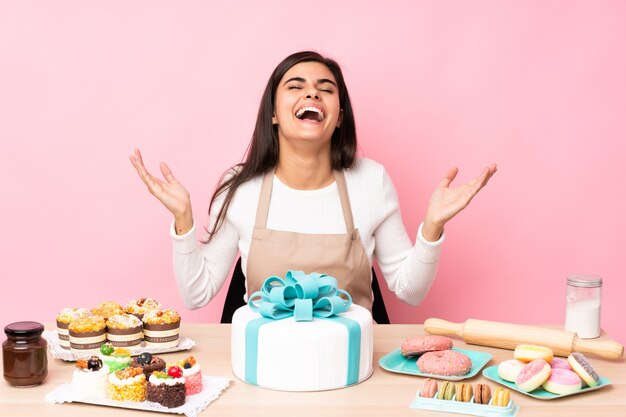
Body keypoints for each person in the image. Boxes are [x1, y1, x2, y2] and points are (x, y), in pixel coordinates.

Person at [130, 51, 496, 320]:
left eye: (326, 89)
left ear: (338, 117)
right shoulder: (239, 186)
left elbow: (410, 291)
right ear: (273, 113)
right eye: (296, 86)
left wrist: (432, 227)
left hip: (353, 367)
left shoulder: (372, 181)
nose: (312, 95)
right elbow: (197, 294)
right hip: (263, 367)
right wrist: (183, 220)